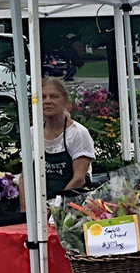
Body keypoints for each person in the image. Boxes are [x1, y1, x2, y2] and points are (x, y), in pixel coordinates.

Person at [18, 77, 95, 206]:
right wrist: (25, 209)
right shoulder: (32, 133)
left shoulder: (78, 133)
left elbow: (79, 179)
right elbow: (24, 176)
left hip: (71, 204)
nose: (47, 101)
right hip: (37, 205)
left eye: (53, 96)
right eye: (43, 97)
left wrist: (54, 207)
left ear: (65, 101)